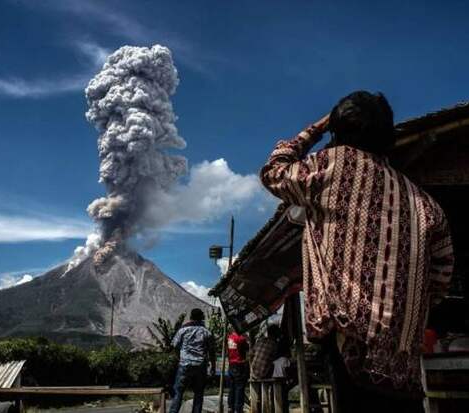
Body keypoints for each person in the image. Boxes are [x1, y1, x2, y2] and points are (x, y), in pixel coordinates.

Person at [260, 91, 454, 412]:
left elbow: (274, 171)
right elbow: (440, 281)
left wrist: (315, 129)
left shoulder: (329, 169)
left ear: (338, 130)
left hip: (350, 348)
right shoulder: (426, 205)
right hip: (403, 364)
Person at [170, 308, 216, 413]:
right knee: (199, 393)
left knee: (178, 392)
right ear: (202, 318)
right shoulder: (206, 332)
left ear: (191, 317)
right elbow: (212, 351)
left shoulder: (182, 330)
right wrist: (213, 367)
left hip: (184, 364)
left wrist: (179, 358)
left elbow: (175, 346)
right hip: (200, 365)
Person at [227, 329, 249, 413]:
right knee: (239, 388)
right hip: (239, 364)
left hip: (231, 364)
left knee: (232, 387)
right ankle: (238, 408)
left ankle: (230, 407)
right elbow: (248, 347)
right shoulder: (241, 338)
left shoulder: (230, 337)